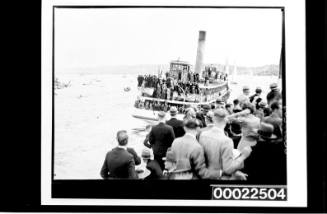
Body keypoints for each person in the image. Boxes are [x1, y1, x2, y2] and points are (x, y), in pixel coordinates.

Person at [199, 109, 251, 179]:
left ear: (213, 119)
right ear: (226, 121)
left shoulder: (202, 135)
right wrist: (243, 156)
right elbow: (228, 169)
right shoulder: (227, 141)